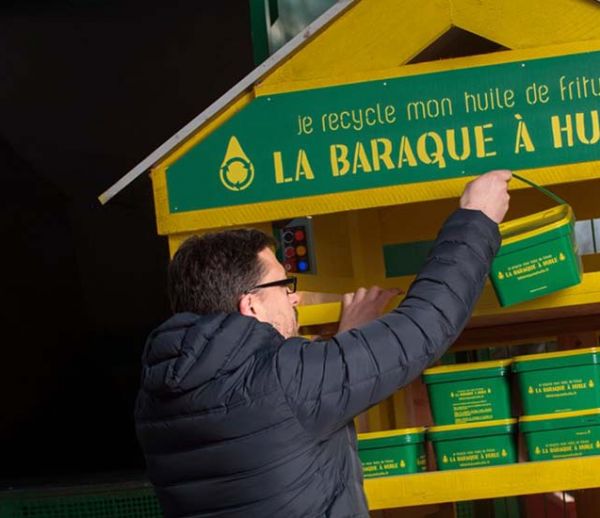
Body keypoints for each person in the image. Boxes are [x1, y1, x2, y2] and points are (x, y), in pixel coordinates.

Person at [135, 170, 512, 517]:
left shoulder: (157, 398)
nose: (294, 298)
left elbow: (280, 440)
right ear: (250, 304)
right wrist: (476, 218)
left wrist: (343, 345)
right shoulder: (285, 379)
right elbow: (423, 327)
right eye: (283, 286)